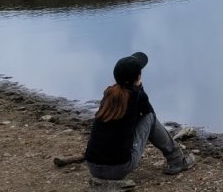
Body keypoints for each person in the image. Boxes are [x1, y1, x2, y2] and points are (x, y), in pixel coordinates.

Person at [84, 51, 195, 183]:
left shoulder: (109, 93)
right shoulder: (137, 95)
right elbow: (150, 114)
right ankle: (176, 159)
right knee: (150, 118)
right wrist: (140, 88)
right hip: (118, 170)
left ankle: (175, 158)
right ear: (138, 77)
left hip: (93, 167)